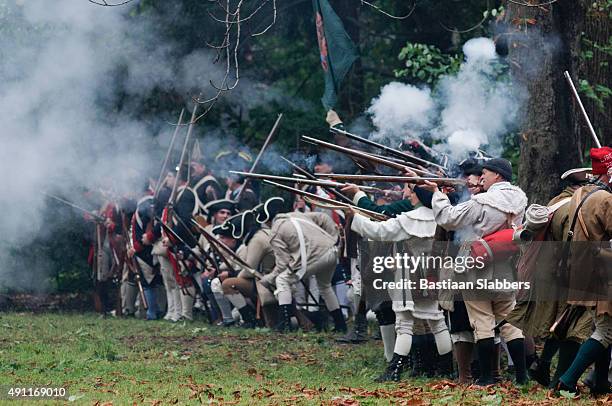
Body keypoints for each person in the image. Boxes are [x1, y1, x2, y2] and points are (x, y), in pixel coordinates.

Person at [421, 157, 529, 385]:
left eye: (485, 174)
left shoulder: (482, 202)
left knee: (482, 322)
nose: (481, 177)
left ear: (497, 176)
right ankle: (522, 376)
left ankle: (487, 378)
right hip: (506, 264)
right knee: (509, 322)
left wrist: (437, 194)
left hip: (475, 264)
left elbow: (448, 219)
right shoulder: (520, 197)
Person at [349, 182, 453, 382]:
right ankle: (446, 368)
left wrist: (355, 216)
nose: (409, 196)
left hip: (409, 275)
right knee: (437, 322)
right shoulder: (442, 216)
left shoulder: (410, 219)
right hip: (433, 275)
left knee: (404, 324)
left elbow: (379, 232)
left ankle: (394, 371)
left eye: (413, 193)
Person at [556, 146, 612, 396]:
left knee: (605, 325)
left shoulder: (581, 192)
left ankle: (600, 382)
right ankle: (566, 381)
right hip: (602, 270)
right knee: (606, 330)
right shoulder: (606, 199)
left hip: (583, 267)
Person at [259, 197, 346, 333]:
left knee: (282, 280)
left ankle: (285, 325)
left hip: (314, 258)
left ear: (269, 220)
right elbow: (323, 217)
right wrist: (333, 238)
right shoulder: (298, 215)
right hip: (332, 251)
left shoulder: (275, 231)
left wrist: (268, 279)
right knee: (325, 287)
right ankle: (341, 324)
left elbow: (283, 265)